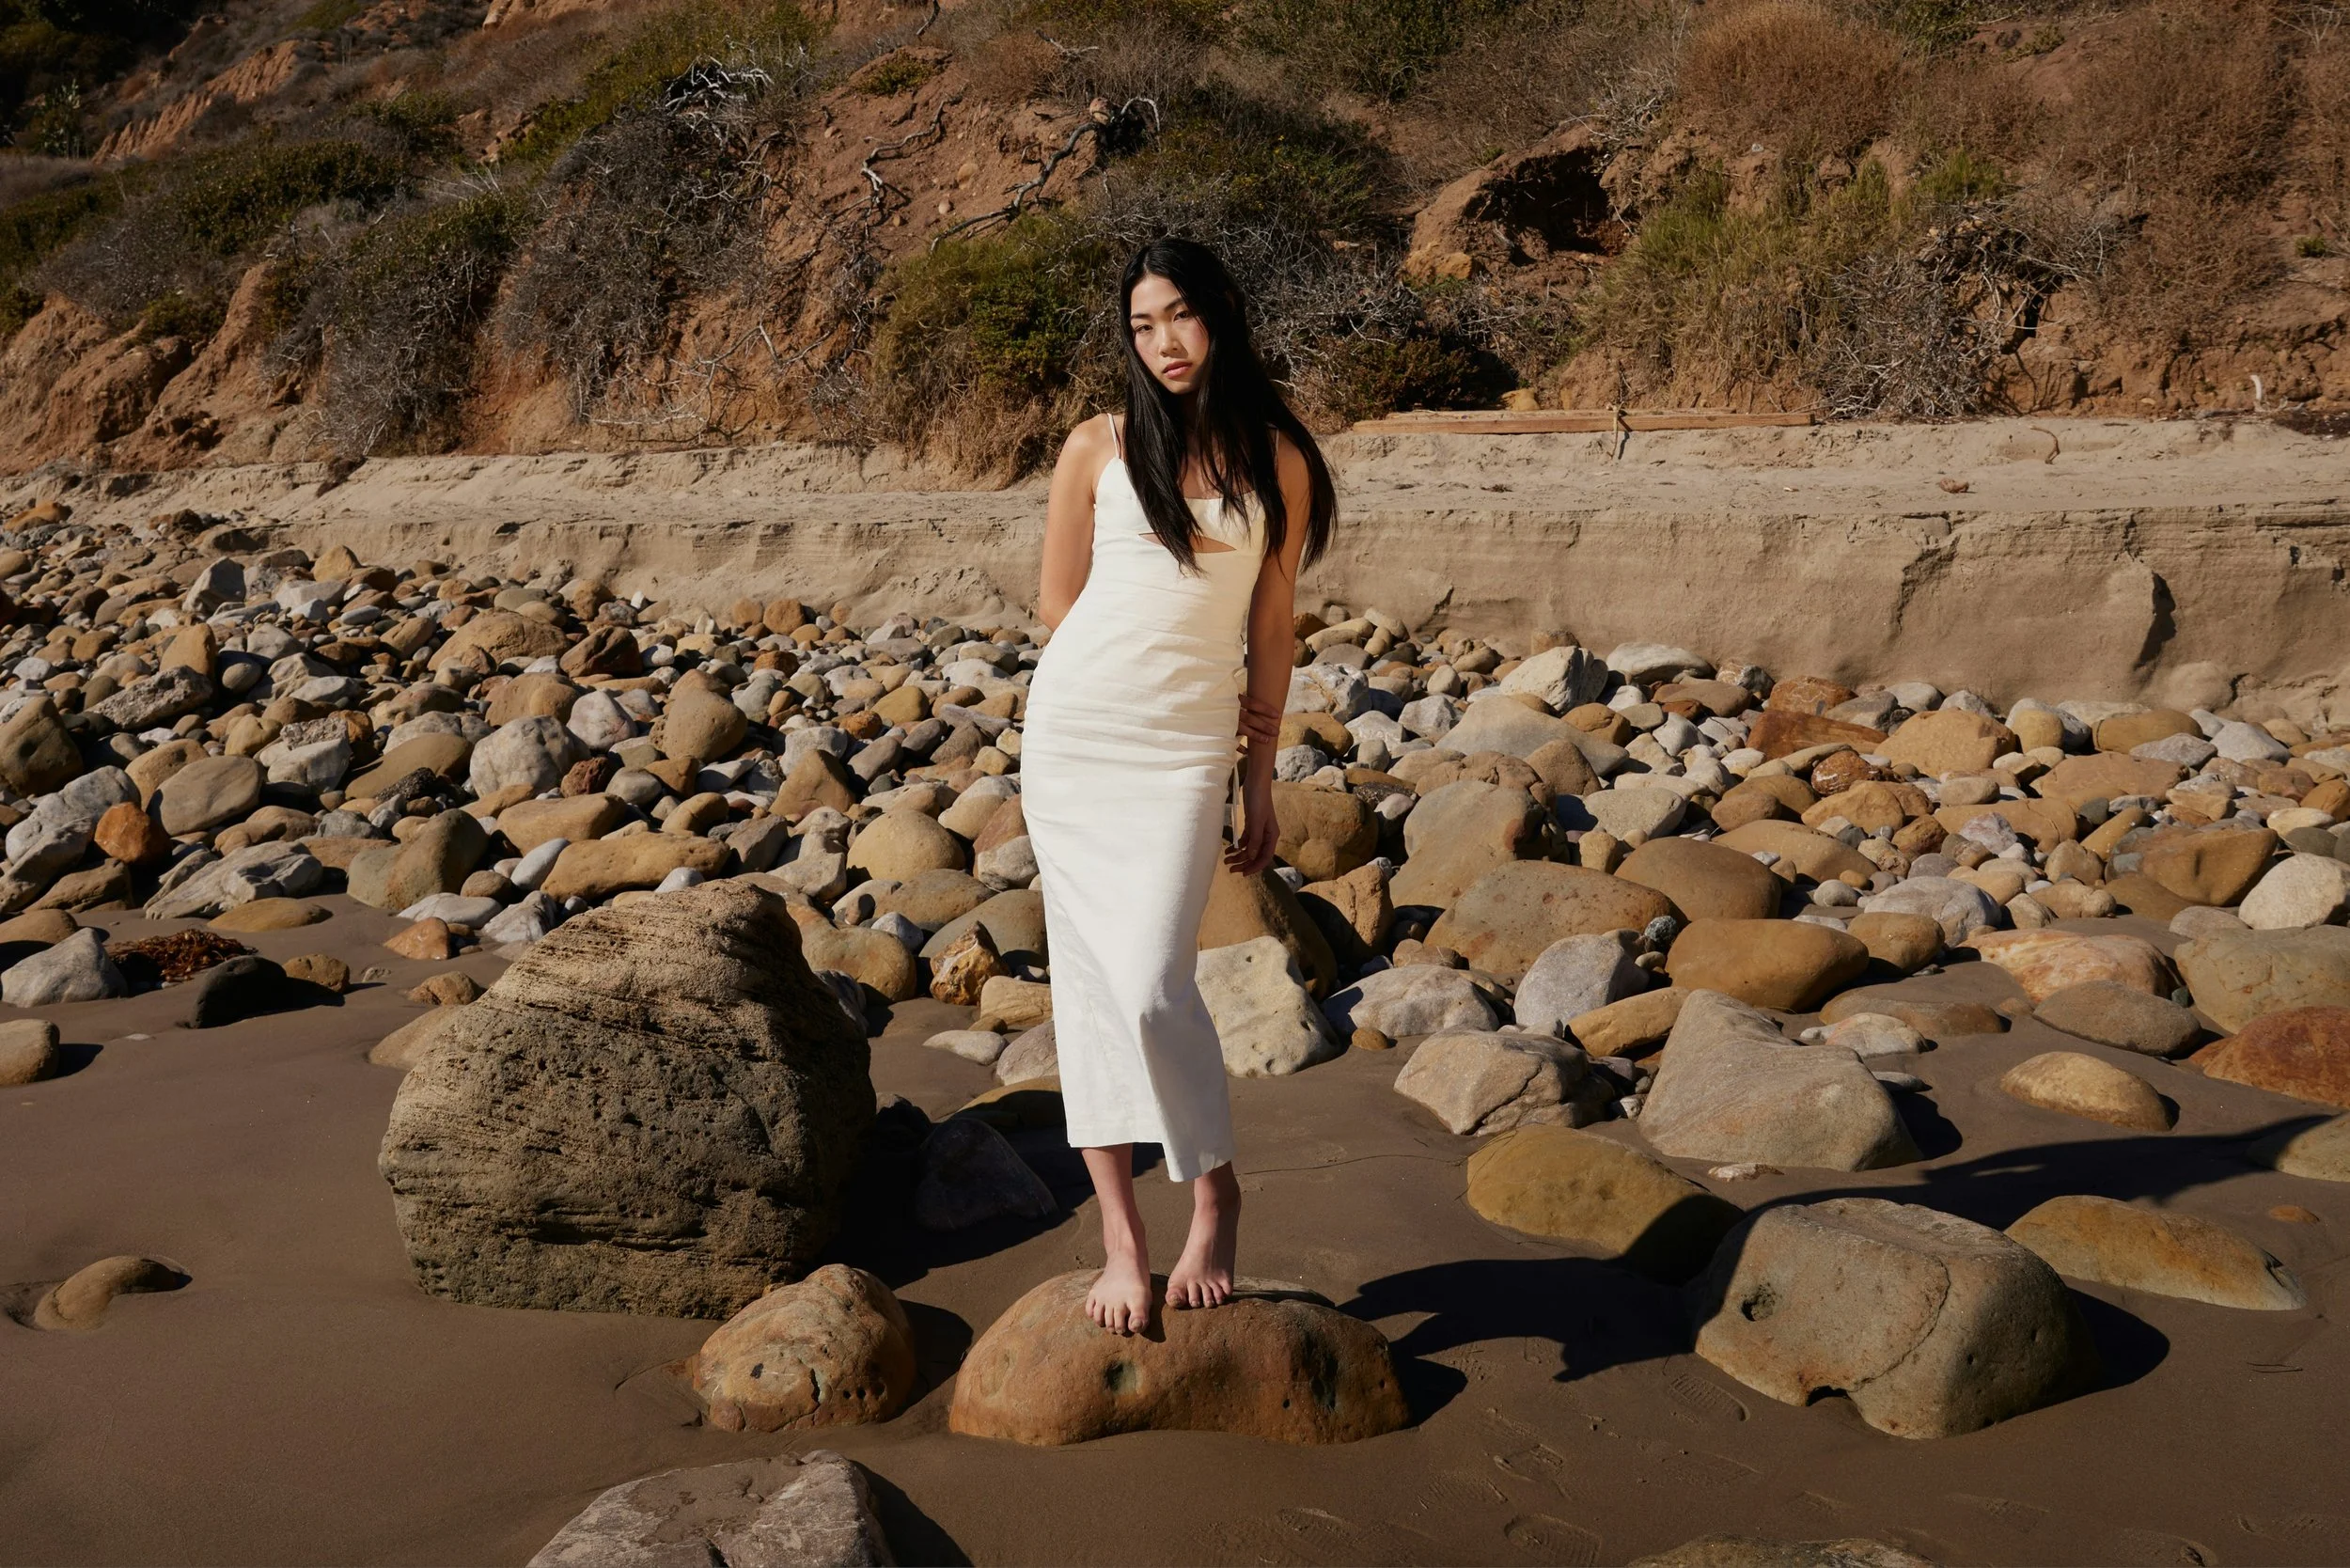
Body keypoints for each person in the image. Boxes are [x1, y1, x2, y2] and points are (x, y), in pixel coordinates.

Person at [1021, 237, 1338, 1336]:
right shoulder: (1098, 446)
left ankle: (1215, 1192)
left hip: (1182, 751)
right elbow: (1057, 604)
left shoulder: (1277, 460)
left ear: (1223, 315)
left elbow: (1272, 628)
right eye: (1142, 324)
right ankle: (1122, 1238)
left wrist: (1259, 776)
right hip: (1076, 741)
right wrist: (1108, 681)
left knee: (1154, 983)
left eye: (1181, 316)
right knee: (1090, 992)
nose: (1163, 342)